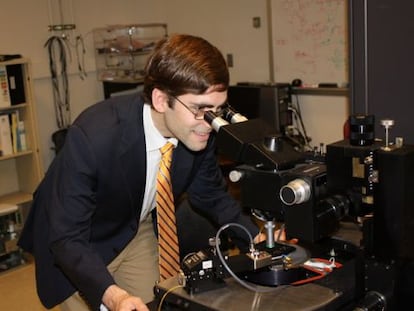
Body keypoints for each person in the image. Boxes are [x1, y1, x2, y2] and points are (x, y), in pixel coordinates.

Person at [18, 34, 265, 311]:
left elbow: (209, 193)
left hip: (133, 223)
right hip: (77, 237)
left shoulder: (196, 131)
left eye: (218, 110)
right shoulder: (94, 135)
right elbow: (66, 236)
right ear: (161, 100)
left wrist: (256, 237)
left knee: (157, 302)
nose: (210, 122)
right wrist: (114, 297)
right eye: (200, 109)